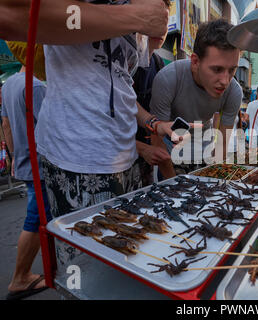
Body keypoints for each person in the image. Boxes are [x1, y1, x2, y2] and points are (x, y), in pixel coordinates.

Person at [35, 0, 176, 218]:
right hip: (79, 157)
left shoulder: (139, 22)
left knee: (132, 243)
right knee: (86, 247)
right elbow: (29, 18)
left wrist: (153, 123)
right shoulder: (134, 13)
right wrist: (136, 16)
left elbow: (121, 85)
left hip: (125, 158)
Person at [149, 19, 243, 173]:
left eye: (232, 70)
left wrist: (214, 177)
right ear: (195, 61)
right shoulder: (168, 79)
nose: (225, 81)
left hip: (205, 152)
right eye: (217, 69)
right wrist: (170, 180)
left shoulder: (234, 91)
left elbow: (223, 144)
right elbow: (156, 138)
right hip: (171, 153)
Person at [1, 63, 53, 300]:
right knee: (37, 217)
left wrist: (15, 158)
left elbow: (6, 125)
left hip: (24, 162)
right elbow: (49, 131)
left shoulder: (10, 84)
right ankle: (20, 277)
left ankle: (49, 268)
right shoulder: (37, 86)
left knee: (42, 216)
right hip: (41, 164)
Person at [0, 0, 170, 45]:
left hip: (124, 130)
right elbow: (11, 15)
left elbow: (157, 19)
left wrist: (151, 121)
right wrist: (134, 17)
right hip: (71, 130)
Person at [133, 31, 177, 183]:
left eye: (164, 24)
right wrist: (140, 148)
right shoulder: (126, 59)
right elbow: (121, 104)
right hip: (120, 150)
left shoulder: (158, 64)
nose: (160, 30)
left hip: (149, 151)